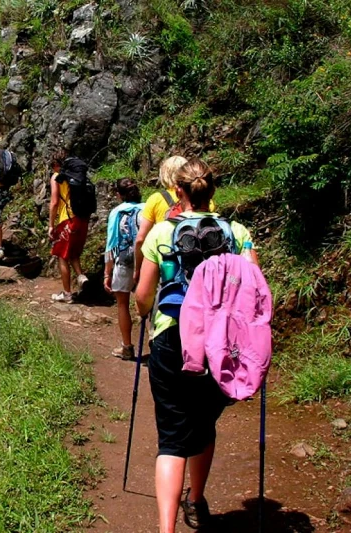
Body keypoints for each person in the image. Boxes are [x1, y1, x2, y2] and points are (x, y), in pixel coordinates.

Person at [134, 158, 257, 532]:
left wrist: (145, 314)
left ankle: (166, 529)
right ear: (213, 190)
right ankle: (196, 499)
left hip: (172, 338)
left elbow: (142, 295)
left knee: (171, 435)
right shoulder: (237, 232)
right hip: (222, 341)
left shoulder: (161, 234)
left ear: (179, 191)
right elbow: (255, 289)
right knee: (204, 424)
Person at [133, 156, 216, 282]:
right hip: (203, 265)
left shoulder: (156, 199)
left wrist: (138, 268)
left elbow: (140, 239)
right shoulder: (206, 202)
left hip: (168, 263)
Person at [103, 178, 144, 360]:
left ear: (119, 195)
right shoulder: (146, 208)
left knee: (122, 303)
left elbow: (111, 245)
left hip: (123, 260)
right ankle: (153, 342)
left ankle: (127, 347)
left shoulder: (117, 212)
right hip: (146, 259)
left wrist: (107, 273)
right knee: (149, 303)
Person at [49, 149, 89, 303]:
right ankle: (81, 276)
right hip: (83, 218)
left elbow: (54, 202)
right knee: (73, 252)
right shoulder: (80, 176)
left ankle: (67, 294)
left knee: (61, 256)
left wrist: (51, 225)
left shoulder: (57, 177)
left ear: (56, 165)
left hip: (68, 219)